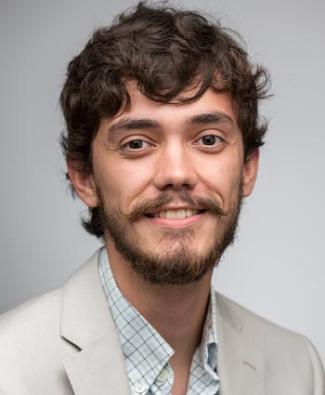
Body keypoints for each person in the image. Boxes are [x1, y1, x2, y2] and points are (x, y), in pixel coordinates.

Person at [0, 2, 324, 394]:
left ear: (248, 169)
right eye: (137, 143)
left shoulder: (298, 368)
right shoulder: (8, 366)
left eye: (208, 139)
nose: (177, 173)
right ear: (84, 177)